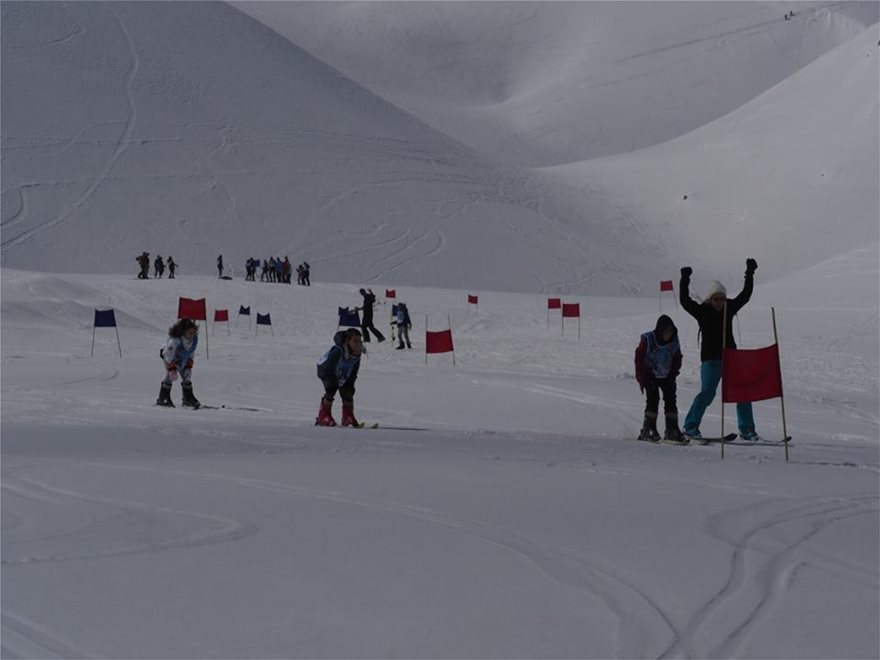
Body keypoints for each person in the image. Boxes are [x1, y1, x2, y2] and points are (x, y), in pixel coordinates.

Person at [679, 258, 759, 442]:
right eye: (716, 298)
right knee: (707, 393)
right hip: (711, 359)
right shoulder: (702, 311)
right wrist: (685, 279)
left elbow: (745, 295)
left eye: (722, 298)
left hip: (731, 357)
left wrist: (750, 272)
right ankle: (690, 427)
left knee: (742, 392)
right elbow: (684, 301)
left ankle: (747, 430)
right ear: (709, 298)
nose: (720, 302)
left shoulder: (730, 307)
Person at [634, 315, 683, 442]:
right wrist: (644, 378)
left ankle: (672, 429)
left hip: (667, 375)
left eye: (670, 332)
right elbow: (639, 360)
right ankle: (648, 429)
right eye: (666, 332)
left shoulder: (674, 340)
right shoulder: (648, 339)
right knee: (653, 399)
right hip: (650, 375)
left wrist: (673, 374)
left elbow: (677, 357)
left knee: (671, 399)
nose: (668, 335)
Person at [315, 328, 364, 427]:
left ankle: (348, 416)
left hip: (340, 372)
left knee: (347, 391)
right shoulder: (339, 351)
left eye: (359, 341)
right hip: (325, 370)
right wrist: (333, 382)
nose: (358, 344)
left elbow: (353, 372)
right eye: (355, 341)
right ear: (347, 341)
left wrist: (350, 384)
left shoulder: (357, 355)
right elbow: (328, 367)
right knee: (331, 388)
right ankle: (323, 416)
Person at [157, 319, 201, 408]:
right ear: (183, 331)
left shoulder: (193, 340)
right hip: (170, 358)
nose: (191, 334)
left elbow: (191, 352)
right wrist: (172, 368)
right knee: (170, 377)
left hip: (183, 359)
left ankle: (188, 399)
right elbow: (168, 354)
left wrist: (189, 366)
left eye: (193, 332)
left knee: (186, 377)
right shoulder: (175, 340)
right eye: (189, 332)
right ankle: (163, 398)